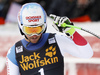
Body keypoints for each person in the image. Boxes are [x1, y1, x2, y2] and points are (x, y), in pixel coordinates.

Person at [6, 2, 93, 75]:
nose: (34, 34)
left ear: (44, 26)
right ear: (21, 27)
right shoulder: (14, 52)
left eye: (38, 29)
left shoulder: (56, 40)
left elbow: (87, 54)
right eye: (29, 30)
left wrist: (72, 32)